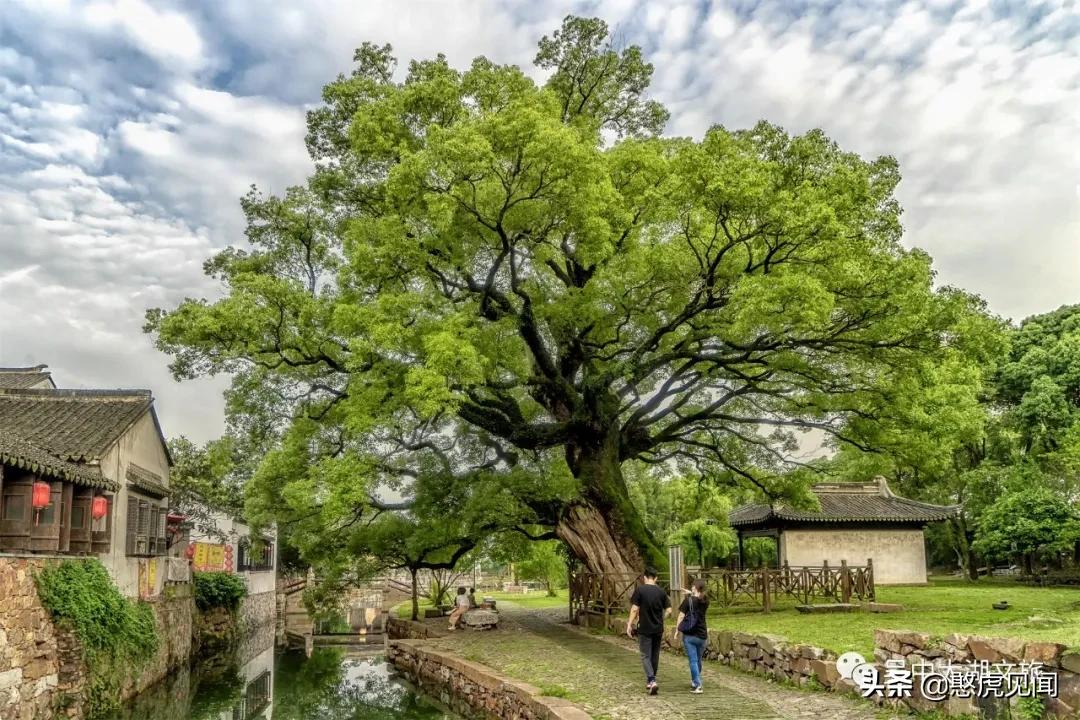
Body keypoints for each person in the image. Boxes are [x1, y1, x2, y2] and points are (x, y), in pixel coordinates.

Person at [626, 567, 671, 695]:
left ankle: (652, 680)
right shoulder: (661, 592)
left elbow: (634, 609)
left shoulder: (640, 590)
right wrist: (661, 619)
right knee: (655, 654)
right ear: (656, 578)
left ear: (644, 577)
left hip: (644, 628)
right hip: (658, 628)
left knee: (645, 655)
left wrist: (629, 624)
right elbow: (669, 610)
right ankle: (651, 680)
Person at [673, 578, 709, 694]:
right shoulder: (705, 601)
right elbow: (698, 599)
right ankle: (695, 680)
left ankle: (697, 685)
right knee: (698, 660)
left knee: (693, 660)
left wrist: (677, 630)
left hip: (690, 635)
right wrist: (691, 593)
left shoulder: (688, 601)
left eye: (693, 586)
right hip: (702, 634)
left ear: (695, 587)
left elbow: (681, 616)